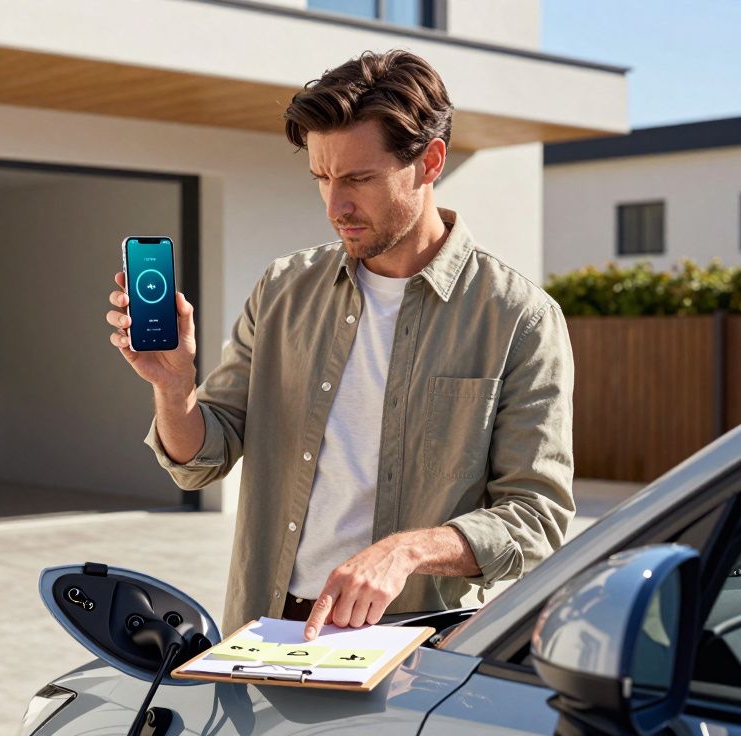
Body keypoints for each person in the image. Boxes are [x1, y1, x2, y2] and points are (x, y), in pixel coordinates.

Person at [104, 49, 574, 641]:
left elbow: (537, 516)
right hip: (268, 628)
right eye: (322, 179)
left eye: (357, 179)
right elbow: (202, 460)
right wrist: (174, 390)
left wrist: (407, 552)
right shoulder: (283, 289)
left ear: (429, 163)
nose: (335, 206)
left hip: (414, 647)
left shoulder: (517, 318)